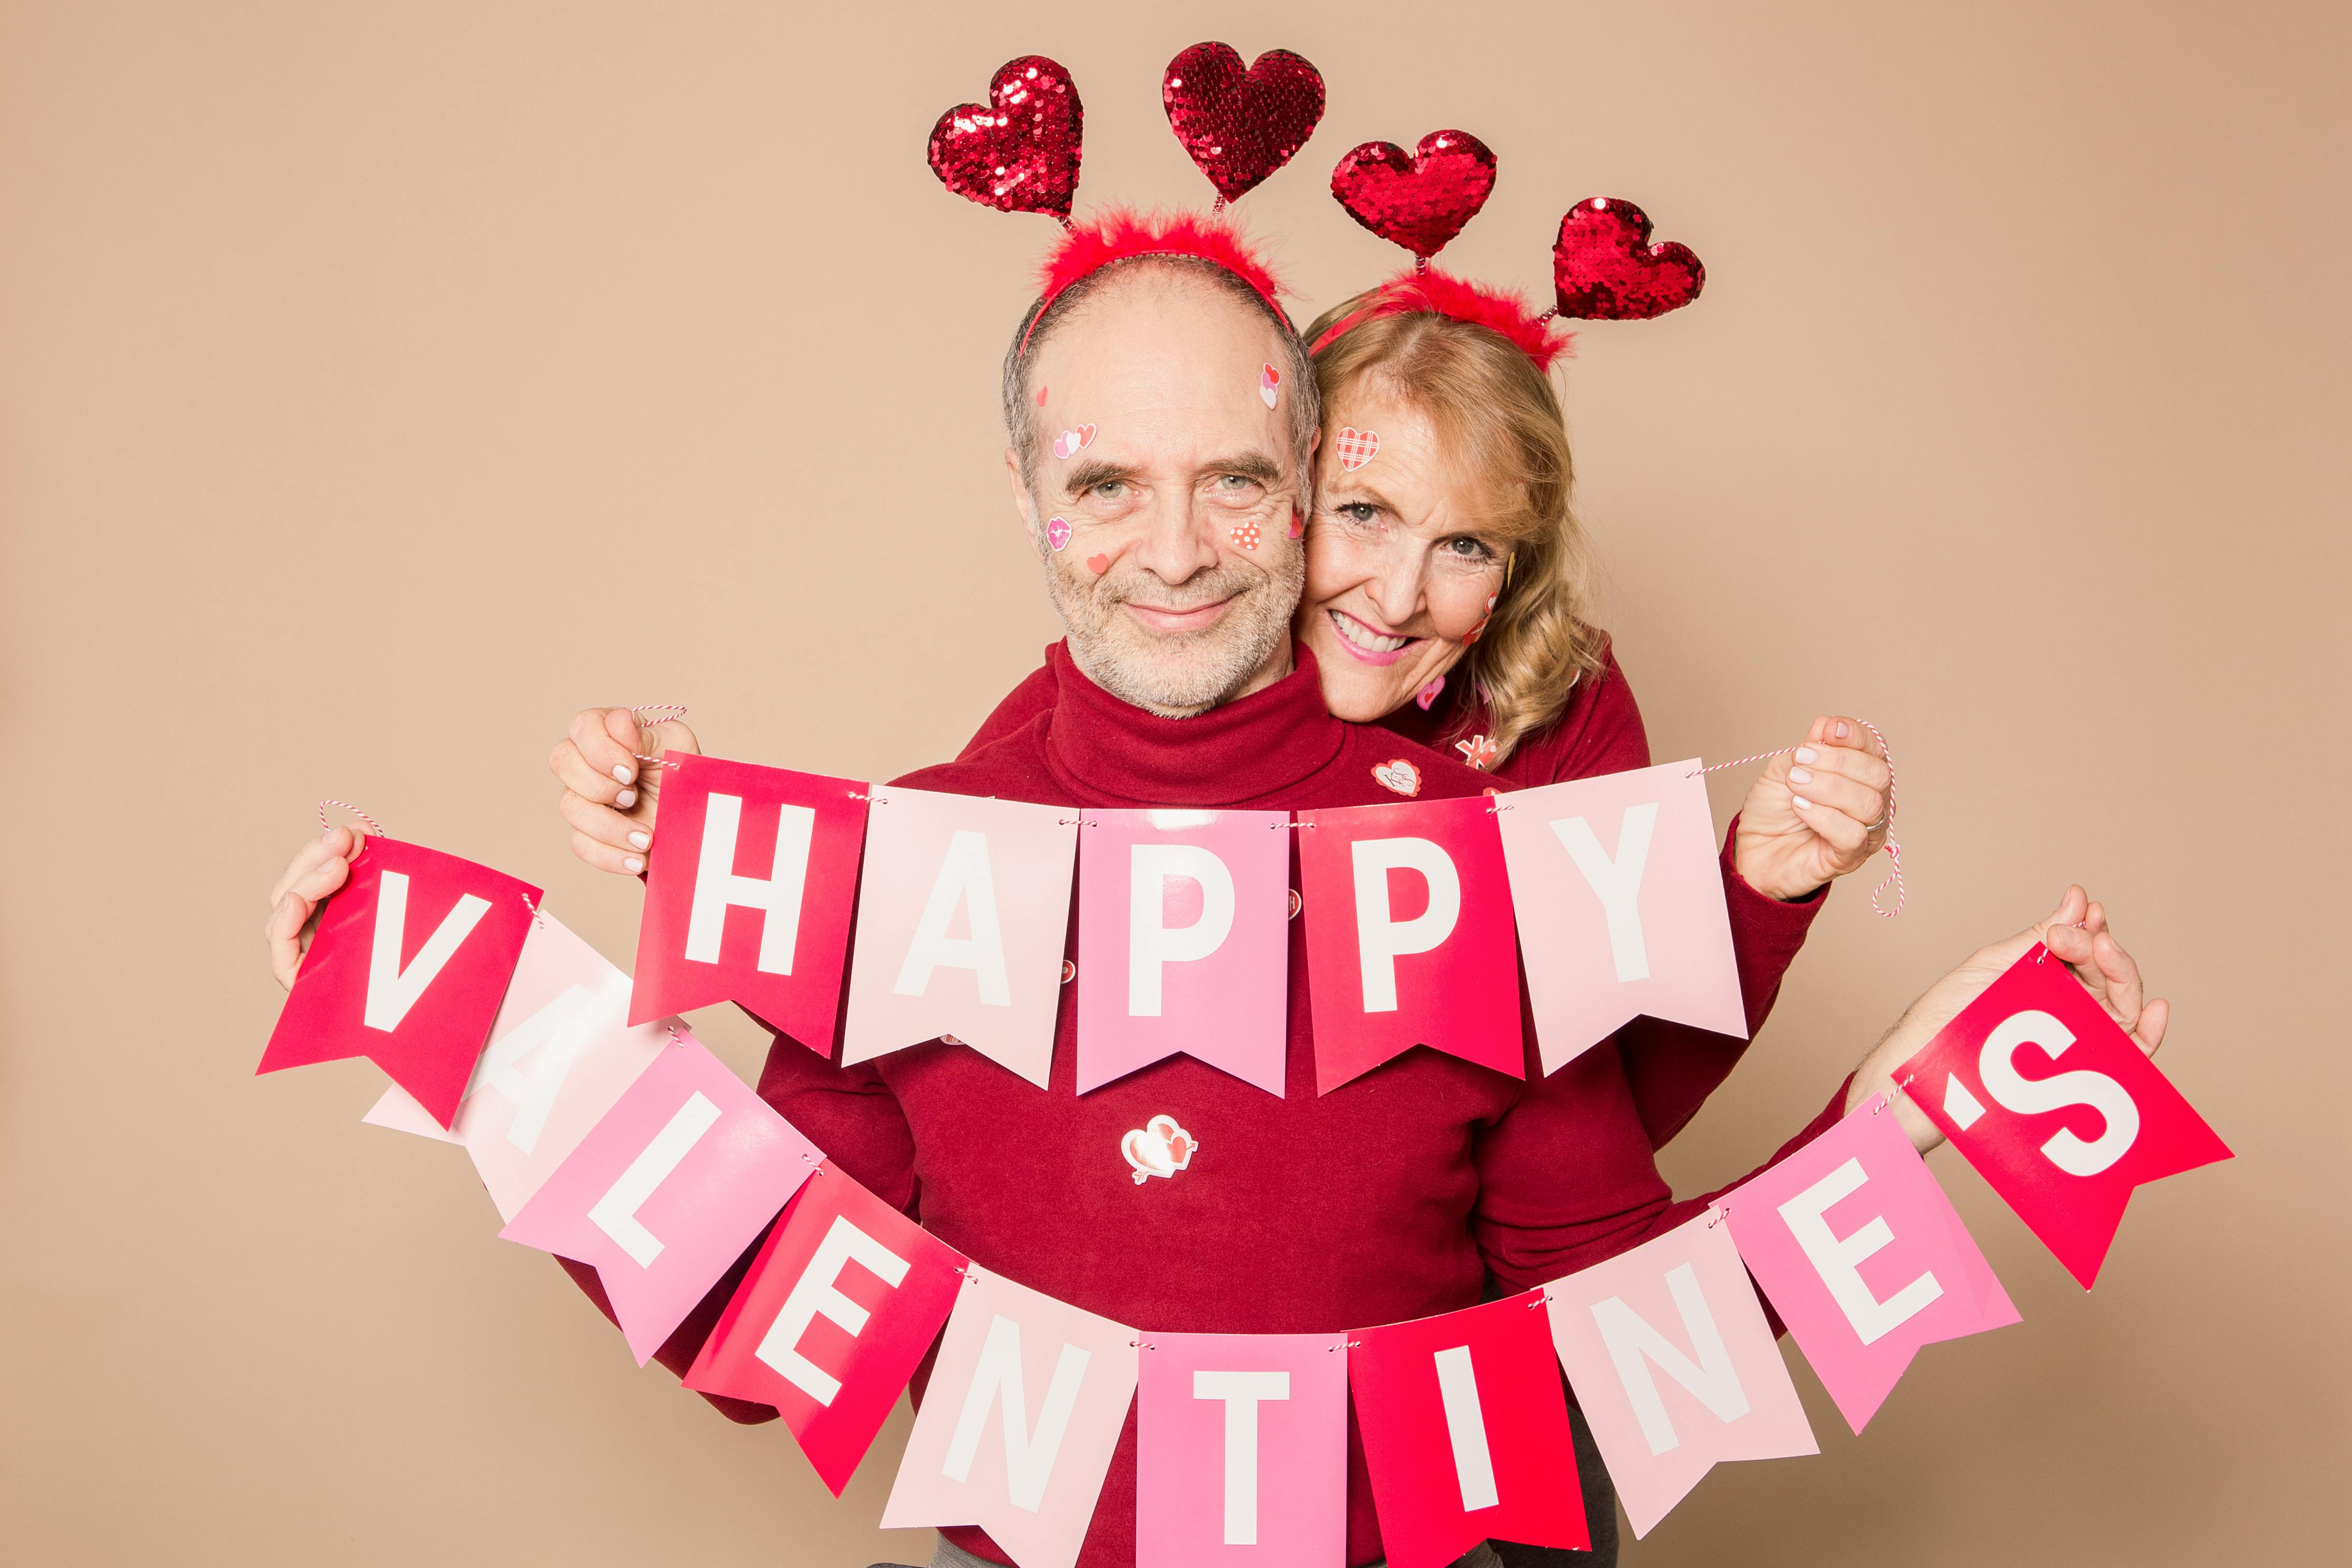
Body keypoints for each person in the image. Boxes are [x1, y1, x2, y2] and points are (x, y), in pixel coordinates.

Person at [263, 225, 2169, 1568]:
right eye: (1107, 484)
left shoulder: (1476, 869)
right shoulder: (906, 861)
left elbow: (1617, 1338)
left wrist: (1912, 1116)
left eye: (1236, 482)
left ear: (1305, 485)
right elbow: (757, 1331)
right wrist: (482, 1040)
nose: (1172, 551)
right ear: (1024, 489)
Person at [953, 268, 1894, 1150]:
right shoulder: (1104, 707)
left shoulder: (1561, 709)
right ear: (1283, 481)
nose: (1398, 597)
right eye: (1363, 514)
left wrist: (1757, 892)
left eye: (1466, 546)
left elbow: (1606, 1126)